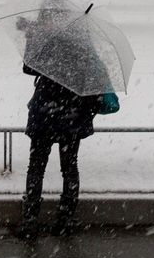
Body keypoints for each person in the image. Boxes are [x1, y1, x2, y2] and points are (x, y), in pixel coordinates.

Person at [18, 63, 103, 238]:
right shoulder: (84, 51)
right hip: (71, 117)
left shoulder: (46, 47)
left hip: (44, 116)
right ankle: (65, 219)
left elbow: (28, 68)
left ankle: (30, 221)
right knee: (70, 168)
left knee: (36, 168)